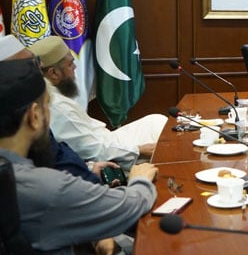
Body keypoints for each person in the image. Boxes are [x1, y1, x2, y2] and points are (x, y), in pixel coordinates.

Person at [0, 57, 158, 255]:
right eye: (48, 106)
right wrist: (140, 179)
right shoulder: (44, 186)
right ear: (35, 116)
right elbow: (130, 207)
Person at [28, 36, 166, 170]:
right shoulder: (57, 107)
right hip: (107, 157)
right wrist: (139, 150)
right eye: (70, 64)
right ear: (54, 73)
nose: (75, 67)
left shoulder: (51, 92)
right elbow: (93, 150)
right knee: (163, 135)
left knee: (156, 121)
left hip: (107, 140)